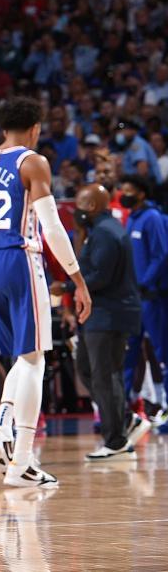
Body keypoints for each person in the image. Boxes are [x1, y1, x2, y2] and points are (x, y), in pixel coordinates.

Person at [0, 96, 91, 488]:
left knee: (23, 354)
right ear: (35, 128)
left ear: (2, 127)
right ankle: (21, 461)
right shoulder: (33, 162)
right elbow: (52, 228)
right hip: (19, 259)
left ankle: (3, 427)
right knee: (35, 359)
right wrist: (77, 279)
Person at [51, 184, 150, 460]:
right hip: (104, 314)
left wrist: (66, 287)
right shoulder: (102, 230)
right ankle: (124, 420)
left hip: (110, 314)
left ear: (92, 206)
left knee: (104, 375)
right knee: (88, 368)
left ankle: (116, 440)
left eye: (80, 205)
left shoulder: (106, 233)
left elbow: (99, 277)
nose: (76, 211)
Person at [120, 175, 168, 415]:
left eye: (129, 190)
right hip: (134, 298)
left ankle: (164, 406)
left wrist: (143, 283)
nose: (124, 194)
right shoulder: (131, 219)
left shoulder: (152, 218)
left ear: (141, 193)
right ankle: (124, 412)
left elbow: (161, 255)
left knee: (162, 353)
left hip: (152, 297)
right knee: (128, 355)